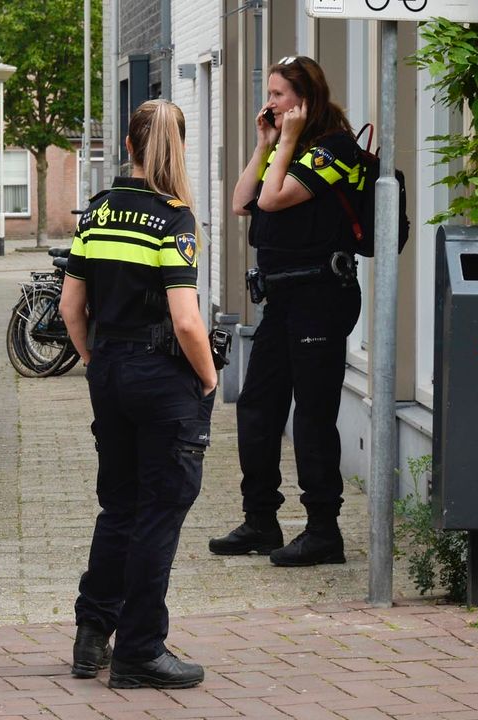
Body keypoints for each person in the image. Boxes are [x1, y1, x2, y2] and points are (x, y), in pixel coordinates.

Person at [60, 99, 217, 690]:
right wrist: (207, 377)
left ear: (128, 146)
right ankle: (140, 652)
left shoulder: (98, 213)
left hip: (110, 371)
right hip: (162, 378)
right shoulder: (175, 218)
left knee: (118, 506)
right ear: (176, 150)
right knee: (159, 511)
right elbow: (186, 320)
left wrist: (98, 359)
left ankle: (91, 636)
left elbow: (70, 308)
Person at [209, 55, 362, 567]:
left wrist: (288, 142)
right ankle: (261, 520)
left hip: (321, 297)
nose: (268, 102)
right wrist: (263, 144)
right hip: (281, 298)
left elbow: (272, 202)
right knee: (258, 406)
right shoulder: (283, 147)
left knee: (313, 416)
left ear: (305, 99)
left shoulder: (336, 150)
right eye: (269, 93)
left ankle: (323, 531)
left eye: (278, 94)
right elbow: (241, 200)